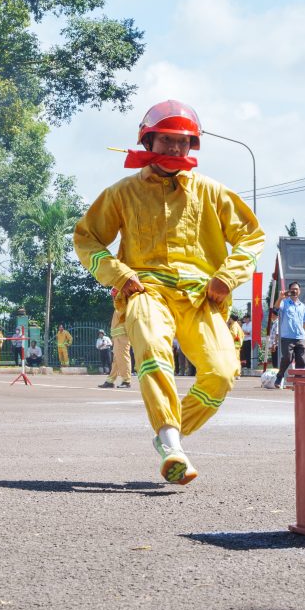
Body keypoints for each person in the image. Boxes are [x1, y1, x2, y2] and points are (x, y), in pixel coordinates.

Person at [74, 99, 264, 485]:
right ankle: (171, 442)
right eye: (167, 140)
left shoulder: (212, 192)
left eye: (183, 141)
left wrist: (226, 276)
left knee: (223, 373)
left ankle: (170, 433)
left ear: (193, 145)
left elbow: (251, 237)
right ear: (148, 141)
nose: (176, 149)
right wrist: (119, 274)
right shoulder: (122, 193)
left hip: (201, 298)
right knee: (153, 351)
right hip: (148, 292)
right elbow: (86, 238)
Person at [274, 282, 305, 387]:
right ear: (289, 291)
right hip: (287, 337)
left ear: (300, 291)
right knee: (287, 358)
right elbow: (275, 311)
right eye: (292, 289)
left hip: (300, 337)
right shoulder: (284, 303)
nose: (294, 291)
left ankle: (297, 382)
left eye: (296, 289)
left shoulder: (302, 306)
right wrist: (280, 298)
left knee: (301, 360)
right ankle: (280, 375)